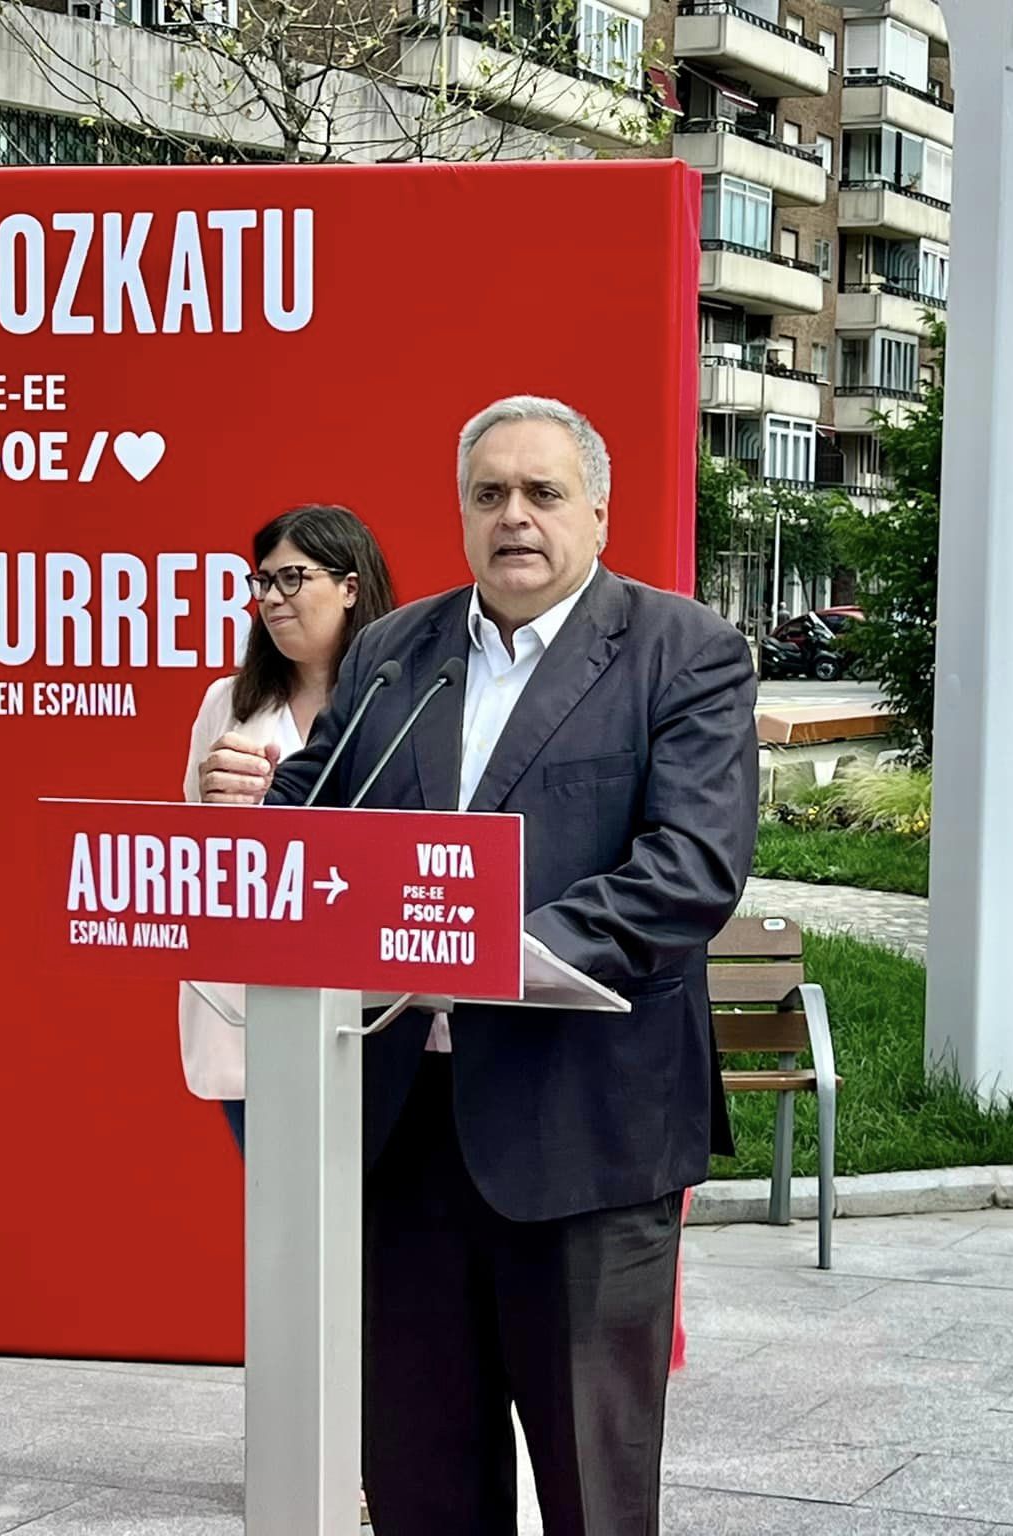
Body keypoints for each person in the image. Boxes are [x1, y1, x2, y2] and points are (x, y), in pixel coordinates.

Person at [204, 395, 757, 1535]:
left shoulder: (679, 650)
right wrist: (257, 829)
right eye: (488, 494)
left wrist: (500, 945)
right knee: (417, 1482)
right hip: (404, 1127)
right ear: (459, 513)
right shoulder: (397, 652)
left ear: (596, 512)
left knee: (590, 1496)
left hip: (585, 1135)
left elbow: (692, 866)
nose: (514, 517)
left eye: (542, 493)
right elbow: (321, 811)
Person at [181, 504, 397, 1151]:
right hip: (251, 1010)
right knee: (284, 1220)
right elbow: (192, 859)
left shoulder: (406, 696)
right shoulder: (229, 702)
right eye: (263, 582)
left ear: (351, 587)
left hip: (378, 1014)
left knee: (380, 1233)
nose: (272, 598)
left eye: (292, 578)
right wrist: (213, 807)